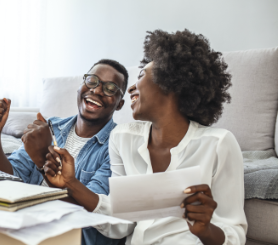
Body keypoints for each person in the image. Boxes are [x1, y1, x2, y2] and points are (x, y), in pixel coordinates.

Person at [43, 29, 247, 245]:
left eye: (140, 75)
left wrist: (205, 231)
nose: (131, 88)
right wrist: (71, 184)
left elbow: (234, 233)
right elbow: (121, 223)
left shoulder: (219, 144)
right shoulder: (122, 138)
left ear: (170, 83)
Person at [0, 59, 130, 244]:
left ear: (119, 104)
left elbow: (92, 211)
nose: (97, 90)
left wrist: (42, 160)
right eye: (92, 81)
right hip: (25, 229)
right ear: (80, 87)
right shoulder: (51, 126)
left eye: (110, 88)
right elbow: (5, 179)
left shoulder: (119, 144)